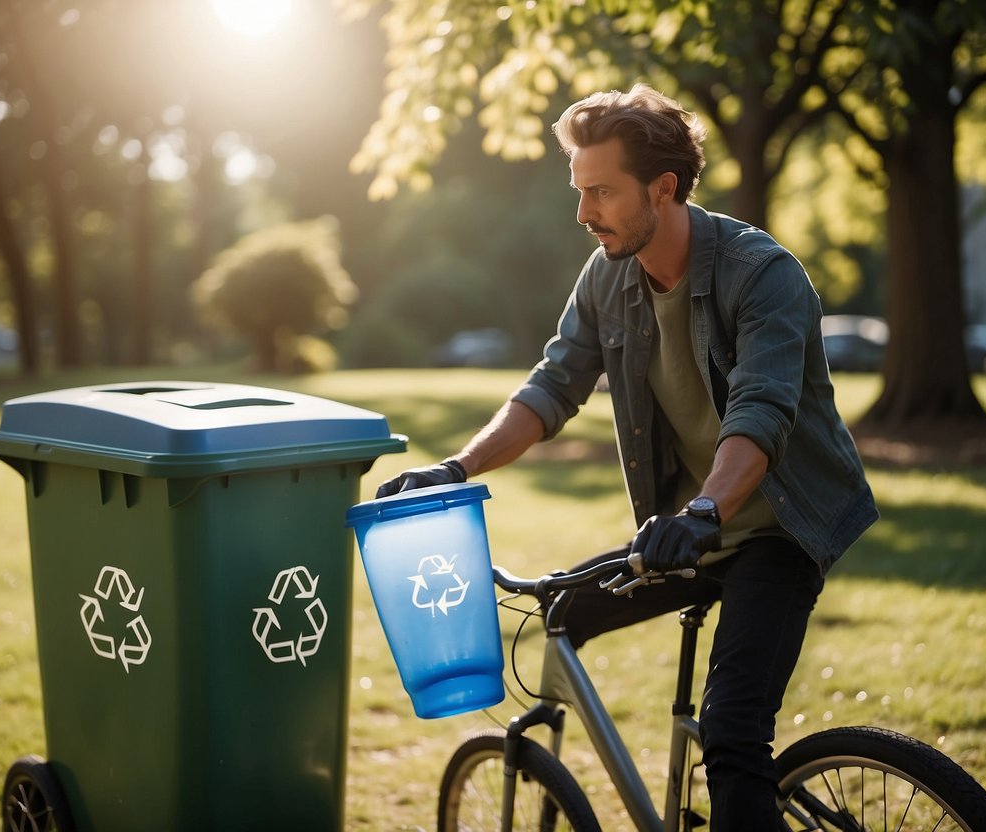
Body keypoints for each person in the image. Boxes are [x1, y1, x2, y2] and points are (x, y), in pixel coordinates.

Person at [376, 85, 878, 831]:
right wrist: (456, 468)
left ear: (663, 188)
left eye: (601, 192)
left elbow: (762, 410)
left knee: (734, 741)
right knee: (559, 612)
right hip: (681, 532)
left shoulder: (761, 274)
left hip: (776, 529)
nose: (584, 214)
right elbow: (552, 388)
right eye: (580, 192)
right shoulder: (607, 276)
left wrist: (706, 511)